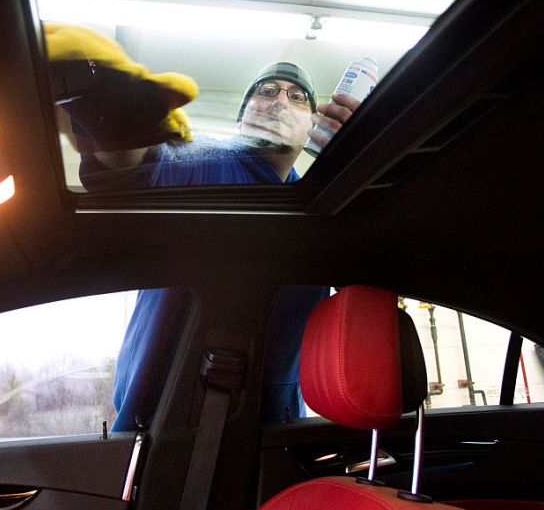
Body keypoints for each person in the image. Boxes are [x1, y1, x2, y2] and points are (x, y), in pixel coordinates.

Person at [59, 58, 360, 430]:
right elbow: (133, 164)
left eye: (297, 97)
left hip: (273, 431)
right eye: (266, 92)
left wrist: (363, 159)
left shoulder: (319, 209)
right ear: (242, 119)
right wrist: (111, 113)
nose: (280, 101)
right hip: (165, 422)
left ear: (312, 127)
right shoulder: (204, 163)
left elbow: (366, 276)